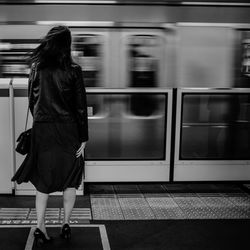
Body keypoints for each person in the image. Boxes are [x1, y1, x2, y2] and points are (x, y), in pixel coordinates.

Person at [11, 26, 89, 247]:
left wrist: (41, 120)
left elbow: (31, 101)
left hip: (43, 130)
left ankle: (40, 226)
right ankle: (65, 223)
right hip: (69, 131)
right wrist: (83, 137)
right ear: (67, 44)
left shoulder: (37, 68)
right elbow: (80, 107)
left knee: (43, 182)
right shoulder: (74, 70)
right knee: (70, 179)